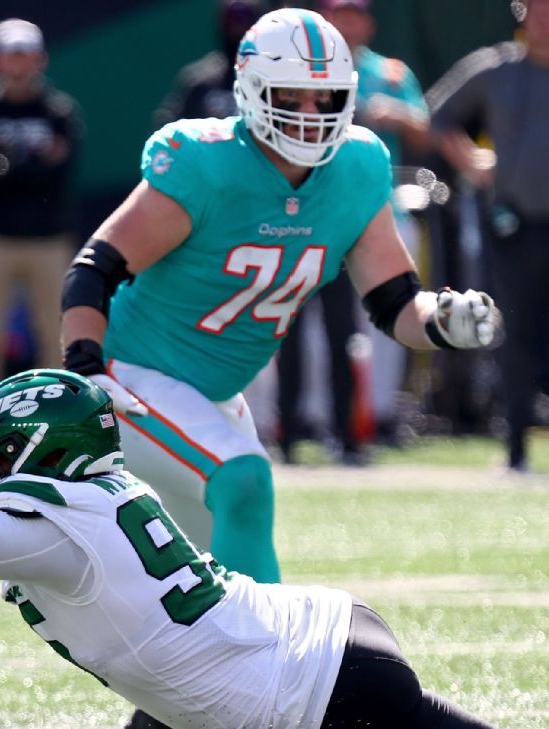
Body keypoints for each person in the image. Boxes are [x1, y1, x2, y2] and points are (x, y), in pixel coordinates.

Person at [58, 8, 500, 585]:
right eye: (293, 96)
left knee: (208, 567)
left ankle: (226, 663)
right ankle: (269, 665)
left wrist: (443, 321)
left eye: (327, 98)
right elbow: (95, 269)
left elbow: (393, 302)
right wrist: (87, 371)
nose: (312, 115)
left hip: (213, 393)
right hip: (135, 378)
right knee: (244, 478)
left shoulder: (358, 165)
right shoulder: (205, 161)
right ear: (253, 90)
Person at [0, 367, 496, 728]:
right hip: (315, 646)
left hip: (311, 689)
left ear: (40, 448)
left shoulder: (57, 518)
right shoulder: (87, 502)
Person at [428, 0, 549, 473]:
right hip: (514, 225)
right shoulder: (495, 69)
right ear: (522, 14)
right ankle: (517, 449)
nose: (546, 18)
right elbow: (438, 116)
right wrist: (473, 163)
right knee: (516, 332)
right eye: (538, 8)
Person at [0, 18, 84, 403]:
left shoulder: (60, 112)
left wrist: (9, 164)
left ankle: (66, 417)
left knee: (57, 337)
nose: (18, 65)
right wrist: (33, 163)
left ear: (40, 59)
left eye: (25, 56)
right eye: (12, 56)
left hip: (50, 239)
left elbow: (60, 173)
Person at [322, 0, 432, 447]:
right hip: (322, 211)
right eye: (338, 12)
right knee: (315, 328)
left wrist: (395, 113)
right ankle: (318, 416)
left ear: (368, 21)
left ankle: (381, 414)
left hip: (384, 209)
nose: (347, 21)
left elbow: (426, 128)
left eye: (355, 12)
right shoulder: (309, 68)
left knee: (388, 316)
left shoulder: (390, 72)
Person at [151, 0, 267, 126]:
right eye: (232, 21)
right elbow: (168, 126)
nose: (238, 28)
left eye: (244, 19)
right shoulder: (200, 80)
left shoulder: (275, 74)